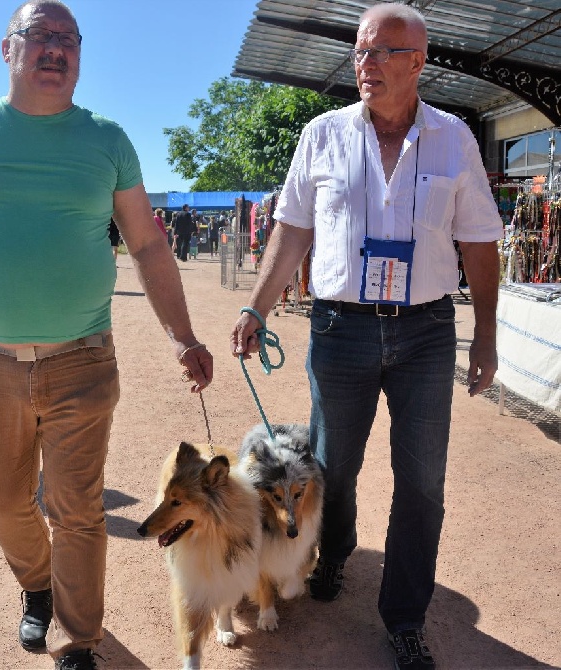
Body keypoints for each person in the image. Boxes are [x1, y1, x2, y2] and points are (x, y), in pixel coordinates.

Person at [0, 2, 213, 670]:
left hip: (83, 359)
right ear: (6, 49)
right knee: (3, 503)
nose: (55, 49)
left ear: (80, 54)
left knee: (76, 511)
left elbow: (147, 245)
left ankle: (80, 640)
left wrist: (182, 335)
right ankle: (36, 586)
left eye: (67, 39)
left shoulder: (106, 139)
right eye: (39, 36)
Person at [231, 4, 502, 669]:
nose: (365, 65)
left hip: (426, 332)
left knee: (421, 480)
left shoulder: (454, 137)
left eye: (381, 52)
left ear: (417, 62)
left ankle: (404, 616)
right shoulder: (322, 134)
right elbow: (291, 229)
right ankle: (335, 553)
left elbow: (480, 240)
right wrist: (257, 307)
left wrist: (486, 335)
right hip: (339, 328)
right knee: (333, 469)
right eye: (358, 53)